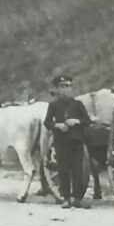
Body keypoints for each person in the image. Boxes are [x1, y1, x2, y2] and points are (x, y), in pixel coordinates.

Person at [43, 74, 91, 209]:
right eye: (63, 87)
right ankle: (65, 198)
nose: (67, 89)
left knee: (78, 171)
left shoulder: (78, 104)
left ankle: (77, 198)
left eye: (69, 86)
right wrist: (58, 125)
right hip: (61, 142)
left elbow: (87, 121)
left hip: (76, 141)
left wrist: (77, 121)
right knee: (63, 170)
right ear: (57, 89)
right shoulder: (53, 106)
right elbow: (47, 122)